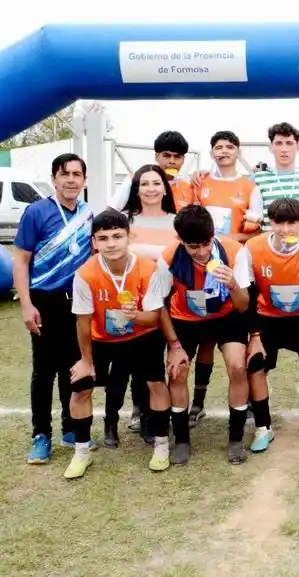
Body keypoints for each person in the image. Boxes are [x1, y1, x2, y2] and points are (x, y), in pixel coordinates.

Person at [64, 210, 169, 478]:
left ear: (128, 237)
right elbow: (83, 322)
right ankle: (81, 452)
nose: (111, 243)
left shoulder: (148, 268)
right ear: (94, 242)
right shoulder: (84, 274)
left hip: (141, 336)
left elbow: (154, 317)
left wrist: (136, 315)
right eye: (103, 238)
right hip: (102, 339)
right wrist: (86, 361)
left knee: (156, 384)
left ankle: (161, 445)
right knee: (80, 386)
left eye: (117, 236)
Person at [156, 205, 256, 465]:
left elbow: (243, 305)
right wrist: (174, 345)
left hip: (226, 317)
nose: (201, 252)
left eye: (206, 244)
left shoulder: (234, 251)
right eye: (192, 247)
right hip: (185, 319)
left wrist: (232, 284)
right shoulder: (168, 257)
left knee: (237, 367)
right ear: (180, 240)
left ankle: (235, 438)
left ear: (213, 235)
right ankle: (182, 440)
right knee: (177, 372)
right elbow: (160, 305)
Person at [13, 153, 95, 464]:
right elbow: (21, 260)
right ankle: (41, 434)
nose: (71, 180)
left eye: (76, 174)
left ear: (84, 180)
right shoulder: (36, 211)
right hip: (44, 300)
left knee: (72, 367)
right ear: (54, 179)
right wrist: (26, 304)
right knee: (44, 370)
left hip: (77, 303)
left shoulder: (88, 214)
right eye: (65, 174)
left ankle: (70, 428)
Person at [245, 198, 299, 451]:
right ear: (270, 222)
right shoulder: (252, 247)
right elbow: (248, 294)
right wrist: (254, 337)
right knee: (255, 365)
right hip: (267, 318)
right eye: (279, 223)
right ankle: (263, 427)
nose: (285, 230)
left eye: (292, 223)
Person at [188, 131, 262, 427]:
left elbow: (256, 230)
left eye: (229, 147)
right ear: (211, 152)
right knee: (205, 339)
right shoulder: (201, 182)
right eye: (218, 147)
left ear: (237, 151)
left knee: (240, 339)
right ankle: (198, 403)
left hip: (235, 268)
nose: (224, 151)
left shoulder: (249, 185)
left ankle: (251, 402)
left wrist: (225, 241)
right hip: (201, 268)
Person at [120, 164, 179, 442]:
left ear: (165, 189)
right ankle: (145, 414)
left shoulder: (177, 222)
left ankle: (169, 411)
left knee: (172, 358)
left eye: (156, 183)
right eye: (144, 184)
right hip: (137, 300)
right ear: (136, 189)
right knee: (143, 358)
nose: (151, 189)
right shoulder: (125, 221)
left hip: (171, 298)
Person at [253, 122, 299, 235]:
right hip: (271, 244)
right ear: (271, 147)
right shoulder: (258, 179)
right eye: (279, 143)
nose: (284, 149)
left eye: (289, 143)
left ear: (298, 148)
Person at [108, 131, 194, 212]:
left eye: (177, 157)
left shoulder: (189, 188)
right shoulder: (134, 180)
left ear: (183, 160)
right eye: (167, 156)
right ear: (156, 157)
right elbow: (110, 212)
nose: (172, 161)